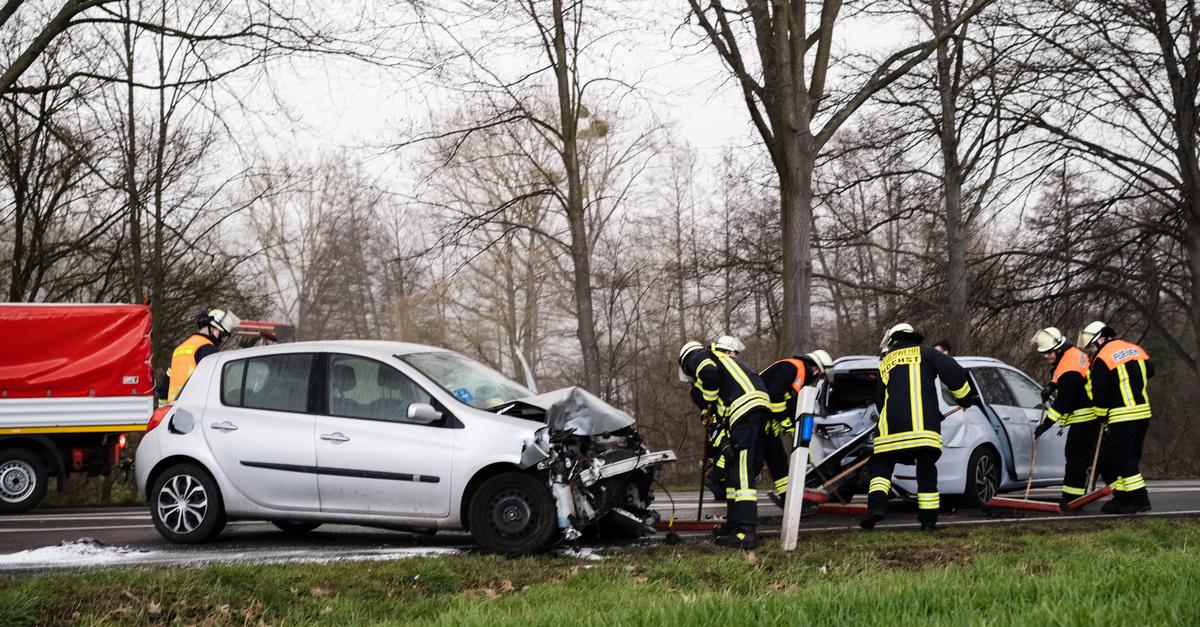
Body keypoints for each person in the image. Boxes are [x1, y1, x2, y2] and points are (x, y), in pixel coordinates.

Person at [861, 323, 977, 532]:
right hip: (924, 431)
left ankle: (876, 508)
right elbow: (955, 372)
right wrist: (965, 398)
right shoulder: (927, 353)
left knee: (881, 467)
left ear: (893, 340)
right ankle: (928, 521)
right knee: (926, 473)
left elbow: (879, 400)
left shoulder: (885, 362)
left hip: (890, 432)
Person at [679, 335, 770, 549]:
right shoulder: (722, 361)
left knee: (741, 469)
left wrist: (708, 398)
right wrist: (722, 442)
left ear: (686, 361)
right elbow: (714, 419)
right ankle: (733, 523)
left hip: (744, 410)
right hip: (750, 411)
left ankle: (746, 532)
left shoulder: (700, 356)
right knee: (731, 470)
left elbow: (709, 376)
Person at [1078, 321, 1154, 514]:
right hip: (1143, 413)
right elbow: (1151, 371)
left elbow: (1100, 394)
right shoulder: (1136, 349)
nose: (1092, 351)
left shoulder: (1102, 359)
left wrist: (1101, 417)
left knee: (1121, 459)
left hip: (1122, 415)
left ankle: (1140, 499)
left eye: (1092, 346)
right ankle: (1123, 498)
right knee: (1126, 458)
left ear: (1101, 339)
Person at [1030, 327, 1100, 512]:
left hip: (1085, 417)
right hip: (1087, 416)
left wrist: (1045, 425)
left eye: (1048, 353)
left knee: (1075, 459)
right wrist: (1050, 387)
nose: (1046, 356)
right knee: (1078, 458)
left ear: (1058, 347)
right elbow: (1059, 376)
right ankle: (1074, 497)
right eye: (1043, 353)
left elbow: (1064, 402)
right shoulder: (1071, 355)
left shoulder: (1069, 367)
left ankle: (1072, 500)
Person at [759, 350, 834, 507]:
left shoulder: (802, 381)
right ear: (815, 368)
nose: (818, 378)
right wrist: (785, 424)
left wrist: (797, 431)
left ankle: (789, 500)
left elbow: (791, 407)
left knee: (777, 459)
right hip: (754, 416)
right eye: (819, 374)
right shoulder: (791, 368)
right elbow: (774, 396)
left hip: (767, 419)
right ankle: (721, 484)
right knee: (754, 461)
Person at [165, 308, 240, 403]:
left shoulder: (179, 349)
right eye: (223, 334)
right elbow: (215, 384)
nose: (223, 339)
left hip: (173, 409)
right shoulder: (208, 349)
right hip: (193, 408)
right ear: (212, 329)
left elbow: (164, 387)